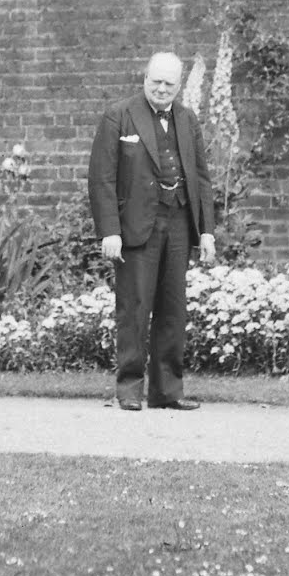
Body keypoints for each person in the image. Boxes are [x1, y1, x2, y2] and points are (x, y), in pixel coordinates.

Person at [88, 51, 216, 411]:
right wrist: (109, 231)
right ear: (145, 79)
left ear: (178, 86)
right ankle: (129, 390)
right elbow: (102, 178)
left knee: (173, 310)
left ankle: (167, 392)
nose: (161, 88)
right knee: (135, 308)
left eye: (169, 83)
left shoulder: (188, 120)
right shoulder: (119, 115)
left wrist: (206, 231)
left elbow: (201, 178)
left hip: (178, 223)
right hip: (134, 228)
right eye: (155, 81)